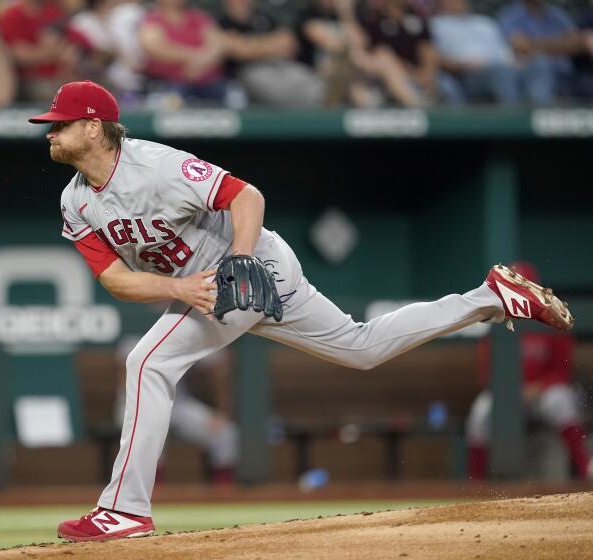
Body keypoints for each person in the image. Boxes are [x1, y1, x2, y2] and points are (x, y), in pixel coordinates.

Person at [29, 80, 573, 542]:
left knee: (147, 363)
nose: (50, 132)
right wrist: (182, 289)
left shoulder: (154, 164)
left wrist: (237, 263)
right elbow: (115, 279)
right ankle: (492, 297)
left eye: (60, 123)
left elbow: (246, 197)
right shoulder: (75, 200)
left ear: (94, 127)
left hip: (250, 265)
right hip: (215, 285)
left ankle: (124, 510)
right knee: (362, 349)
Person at [466, 262, 592, 481]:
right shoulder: (496, 318)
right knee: (480, 412)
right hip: (509, 394)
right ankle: (475, 483)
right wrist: (510, 390)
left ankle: (585, 469)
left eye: (522, 287)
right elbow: (487, 373)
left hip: (543, 393)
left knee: (559, 402)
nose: (517, 293)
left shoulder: (552, 316)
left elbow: (562, 370)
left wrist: (540, 386)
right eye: (511, 288)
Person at [115, 336, 238, 485]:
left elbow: (217, 368)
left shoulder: (184, 326)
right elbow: (124, 380)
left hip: (178, 403)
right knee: (152, 436)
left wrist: (220, 412)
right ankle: (153, 496)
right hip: (137, 403)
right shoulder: (133, 337)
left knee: (225, 434)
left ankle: (223, 495)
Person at [218, 0, 325, 107]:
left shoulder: (263, 17)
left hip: (280, 65)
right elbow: (239, 51)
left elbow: (289, 42)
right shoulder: (223, 22)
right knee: (283, 93)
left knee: (313, 83)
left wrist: (252, 45)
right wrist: (270, 44)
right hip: (247, 71)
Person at [431, 0, 522, 105]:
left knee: (537, 64)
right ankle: (514, 116)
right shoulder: (436, 25)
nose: (459, 2)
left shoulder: (485, 23)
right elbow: (436, 58)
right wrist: (463, 65)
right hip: (464, 76)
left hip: (498, 69)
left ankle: (536, 113)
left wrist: (515, 63)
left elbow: (505, 54)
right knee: (500, 72)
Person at [137, 0, 228, 104]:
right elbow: (153, 48)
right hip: (168, 82)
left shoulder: (198, 17)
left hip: (208, 82)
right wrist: (194, 58)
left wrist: (200, 64)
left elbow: (217, 45)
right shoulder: (152, 19)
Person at [360, 0, 443, 106]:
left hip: (421, 76)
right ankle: (414, 103)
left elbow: (427, 47)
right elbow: (377, 52)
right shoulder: (375, 20)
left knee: (432, 54)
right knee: (383, 55)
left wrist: (426, 73)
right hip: (393, 75)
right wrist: (413, 72)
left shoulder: (416, 17)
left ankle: (427, 92)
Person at [0, 0, 80, 103]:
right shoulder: (12, 15)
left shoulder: (53, 11)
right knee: (49, 93)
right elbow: (18, 55)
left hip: (60, 75)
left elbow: (72, 42)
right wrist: (51, 53)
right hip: (29, 80)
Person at [497, 0, 578, 105]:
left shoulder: (557, 14)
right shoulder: (510, 14)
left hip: (563, 74)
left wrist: (534, 45)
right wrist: (558, 44)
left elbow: (576, 43)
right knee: (540, 63)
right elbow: (519, 45)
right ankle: (538, 113)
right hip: (529, 73)